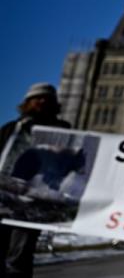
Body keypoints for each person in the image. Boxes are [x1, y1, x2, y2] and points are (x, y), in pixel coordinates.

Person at [0, 83, 71, 277]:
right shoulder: (10, 129)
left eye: (47, 98)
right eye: (37, 97)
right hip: (3, 199)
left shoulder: (63, 129)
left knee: (18, 259)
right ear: (28, 102)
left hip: (32, 205)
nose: (42, 101)